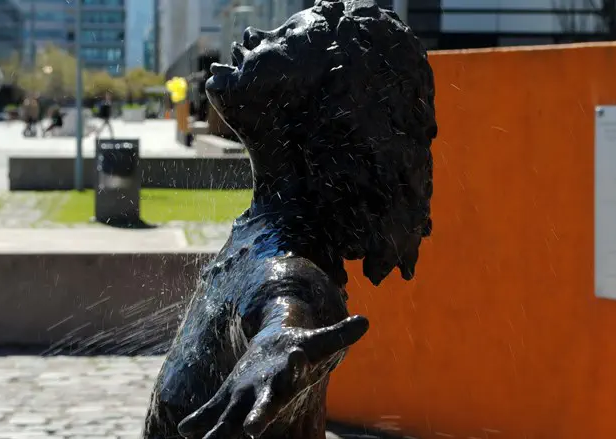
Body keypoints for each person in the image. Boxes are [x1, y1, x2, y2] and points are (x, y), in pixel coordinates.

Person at [142, 1, 437, 438]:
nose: (253, 37)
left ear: (316, 103)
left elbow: (291, 310)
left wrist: (276, 349)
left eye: (285, 40)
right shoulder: (262, 231)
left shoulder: (293, 272)